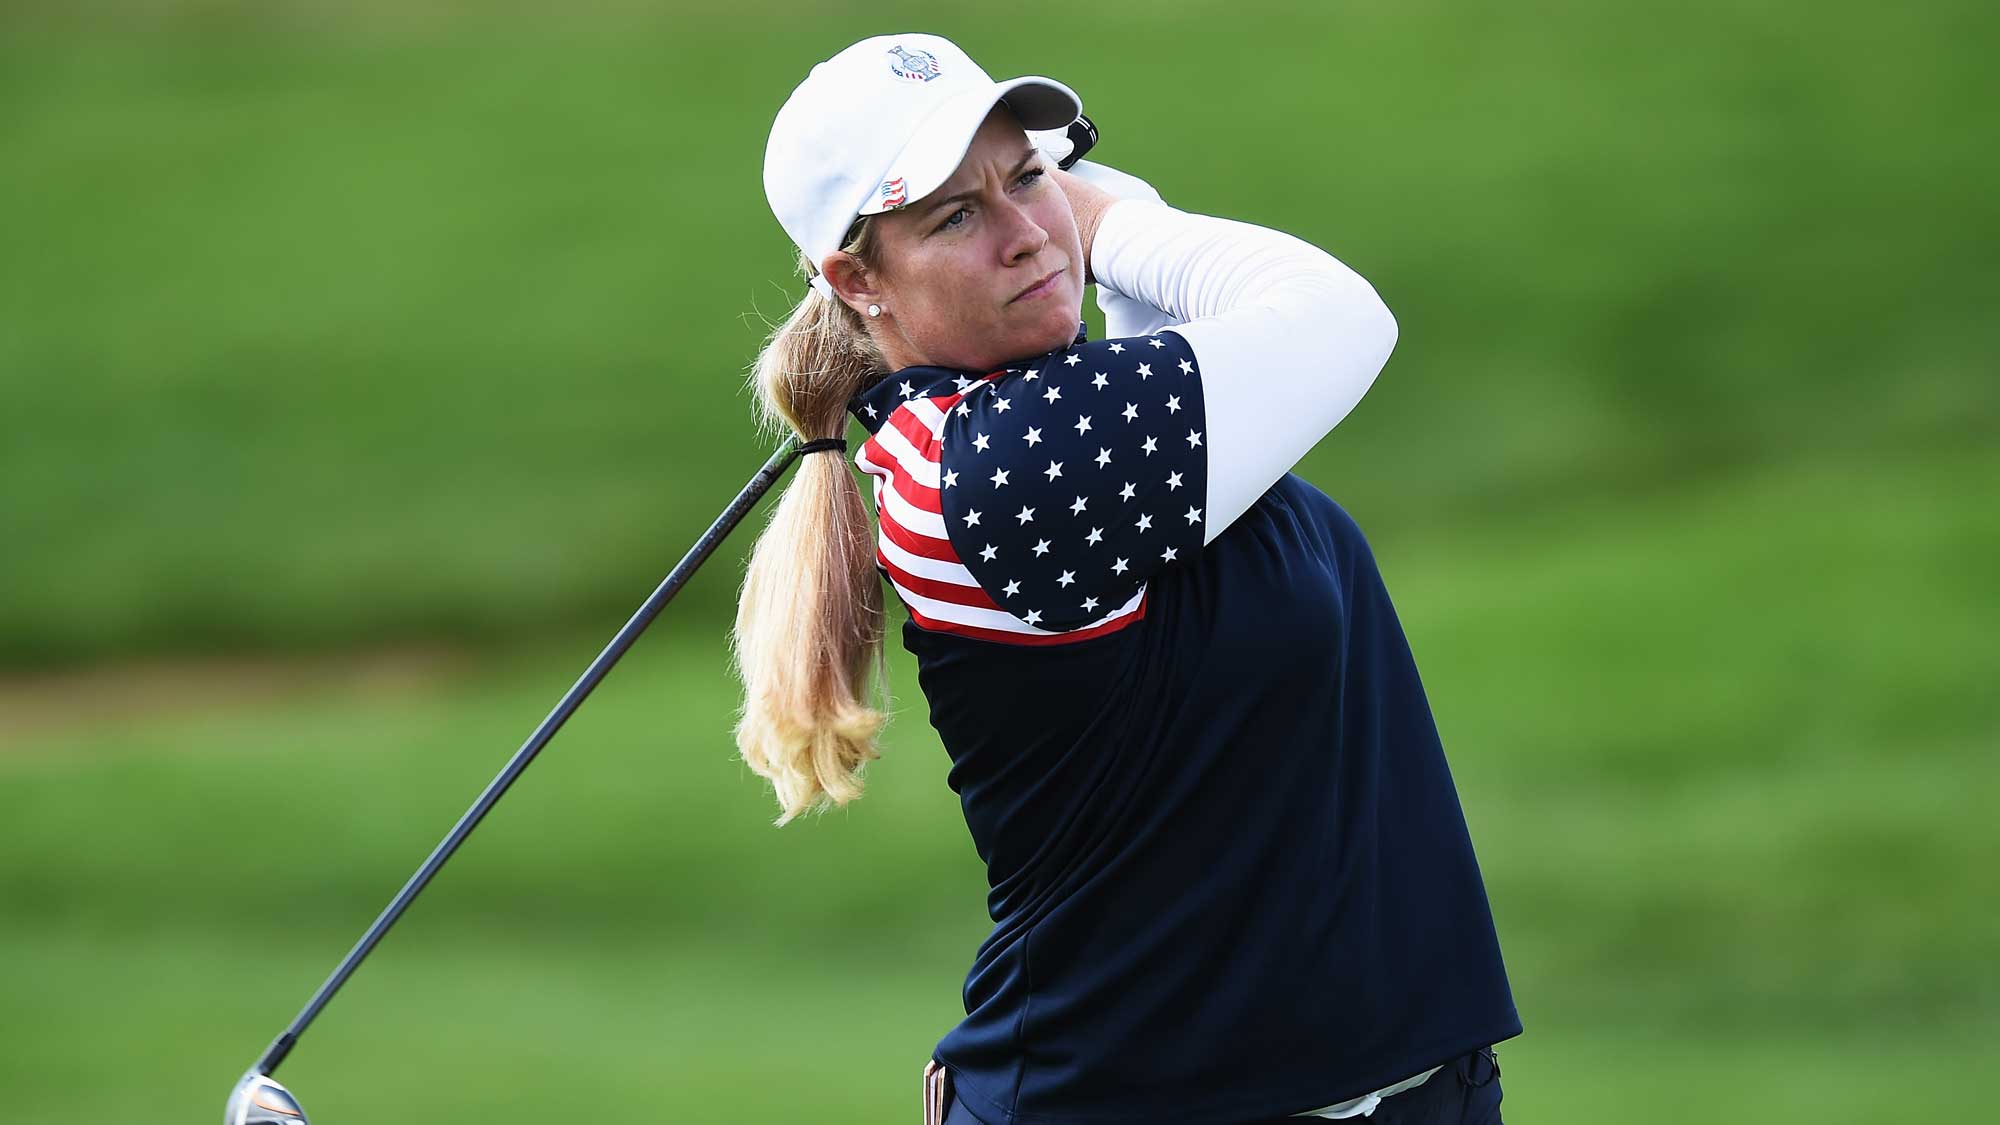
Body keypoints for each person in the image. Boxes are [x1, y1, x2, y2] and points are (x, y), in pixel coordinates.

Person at [733, 33, 1519, 1125]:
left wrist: (1056, 213)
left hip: (1404, 1086)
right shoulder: (990, 473)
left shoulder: (1069, 425)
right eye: (953, 216)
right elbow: (1333, 315)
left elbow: (1166, 338)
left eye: (1024, 178)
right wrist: (1099, 223)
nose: (1020, 236)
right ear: (857, 280)